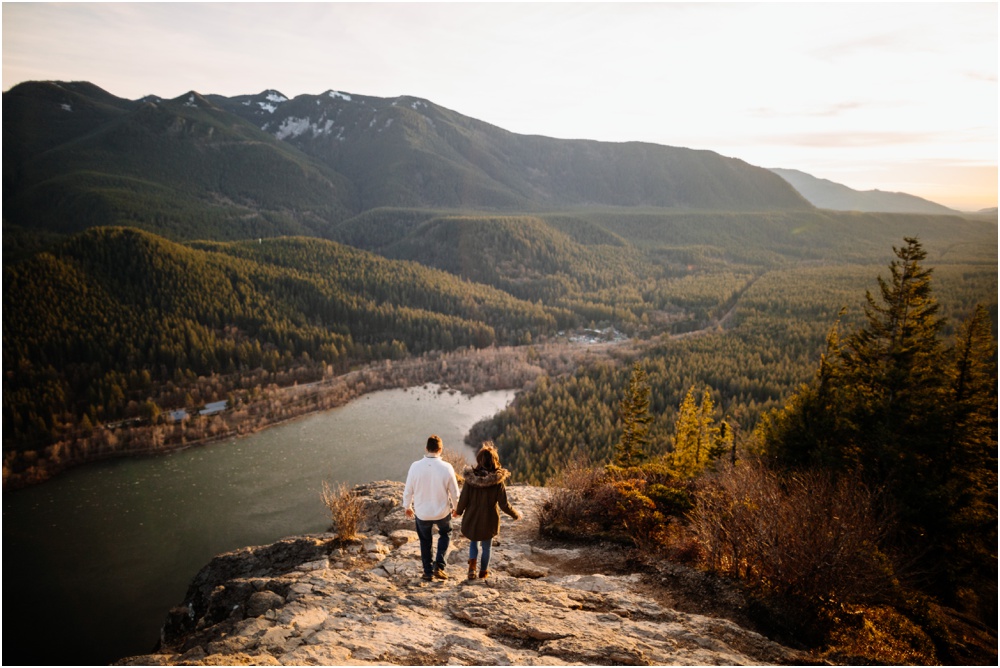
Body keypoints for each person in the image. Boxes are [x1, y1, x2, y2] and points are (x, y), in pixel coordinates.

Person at [455, 441, 521, 580]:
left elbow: (463, 500)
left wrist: (458, 512)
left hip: (472, 517)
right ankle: (483, 572)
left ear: (479, 460)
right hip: (489, 519)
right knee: (487, 547)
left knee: (474, 542)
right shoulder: (497, 481)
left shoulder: (470, 479)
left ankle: (472, 567)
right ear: (495, 460)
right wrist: (515, 515)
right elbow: (504, 504)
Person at [402, 434, 461, 582]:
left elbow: (408, 490)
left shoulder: (415, 466)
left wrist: (407, 506)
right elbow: (455, 493)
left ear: (426, 448)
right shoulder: (447, 467)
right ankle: (439, 567)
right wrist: (456, 508)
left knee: (425, 540)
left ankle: (427, 572)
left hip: (422, 513)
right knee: (445, 533)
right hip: (442, 512)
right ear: (440, 449)